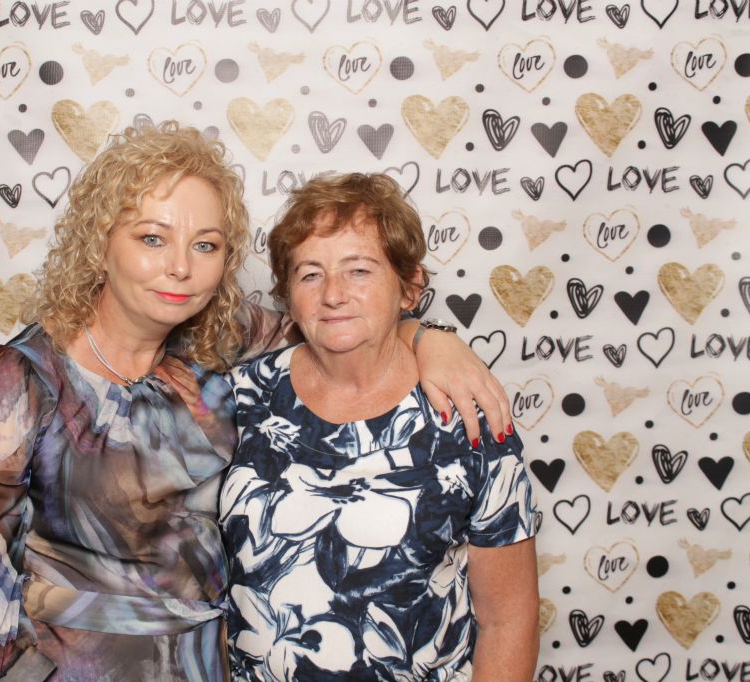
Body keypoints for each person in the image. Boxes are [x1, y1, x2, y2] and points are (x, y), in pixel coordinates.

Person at [0, 123, 511, 681]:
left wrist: (429, 337)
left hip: (206, 666)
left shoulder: (214, 345)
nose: (180, 267)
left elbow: (339, 320)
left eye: (204, 245)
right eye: (152, 238)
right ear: (99, 244)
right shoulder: (21, 379)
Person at [221, 173, 539, 681]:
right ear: (287, 295)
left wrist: (428, 337)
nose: (333, 294)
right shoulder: (238, 399)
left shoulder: (466, 410)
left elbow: (509, 621)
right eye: (310, 274)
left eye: (359, 270)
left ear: (409, 287)